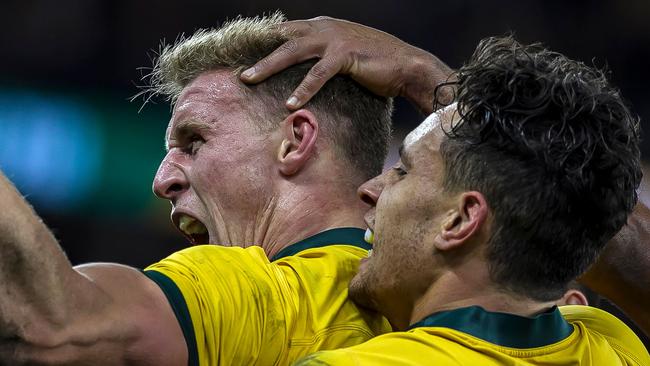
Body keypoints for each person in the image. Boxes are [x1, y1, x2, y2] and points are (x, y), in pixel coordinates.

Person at [0, 13, 415, 366]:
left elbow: (49, 324)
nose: (162, 181)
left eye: (194, 141)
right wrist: (423, 73)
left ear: (295, 140)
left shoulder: (274, 300)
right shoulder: (453, 303)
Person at [242, 16, 650, 338]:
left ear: (461, 219)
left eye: (402, 171)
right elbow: (576, 203)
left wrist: (422, 75)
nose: (369, 189)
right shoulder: (613, 343)